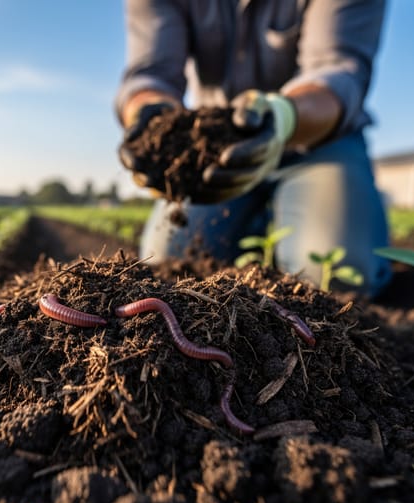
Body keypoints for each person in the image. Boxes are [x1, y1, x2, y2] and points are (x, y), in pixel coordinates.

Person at [116, 0, 392, 296]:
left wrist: (281, 118)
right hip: (218, 156)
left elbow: (337, 73)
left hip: (321, 142)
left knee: (334, 276)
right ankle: (259, 222)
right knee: (170, 264)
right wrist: (149, 118)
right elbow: (150, 74)